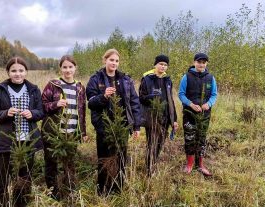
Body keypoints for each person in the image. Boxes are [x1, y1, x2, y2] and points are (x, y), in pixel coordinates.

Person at [0, 56, 44, 207]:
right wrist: (5, 113)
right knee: (2, 178)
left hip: (28, 142)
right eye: (13, 71)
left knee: (25, 178)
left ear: (26, 72)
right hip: (7, 142)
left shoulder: (33, 89)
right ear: (8, 72)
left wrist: (33, 114)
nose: (17, 74)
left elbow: (41, 112)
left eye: (21, 70)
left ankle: (21, 203)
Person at [86, 48, 141, 195]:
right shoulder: (95, 79)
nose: (114, 63)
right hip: (104, 127)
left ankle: (118, 188)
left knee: (121, 158)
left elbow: (134, 103)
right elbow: (91, 103)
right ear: (105, 60)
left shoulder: (126, 80)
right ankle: (102, 190)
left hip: (122, 127)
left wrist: (136, 126)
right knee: (104, 159)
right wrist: (103, 97)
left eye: (116, 61)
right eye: (111, 60)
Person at [41, 55, 87, 200]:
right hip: (54, 133)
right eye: (64, 67)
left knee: (70, 163)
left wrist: (83, 132)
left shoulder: (80, 87)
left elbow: (82, 110)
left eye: (70, 67)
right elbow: (41, 107)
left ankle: (69, 189)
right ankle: (53, 193)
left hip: (72, 132)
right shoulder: (53, 85)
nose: (68, 70)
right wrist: (55, 104)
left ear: (75, 68)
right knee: (51, 163)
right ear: (60, 68)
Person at [139, 54, 178, 176]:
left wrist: (174, 119)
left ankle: (153, 163)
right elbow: (141, 98)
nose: (163, 66)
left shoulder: (168, 80)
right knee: (152, 143)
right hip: (152, 117)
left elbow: (170, 100)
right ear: (155, 64)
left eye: (165, 65)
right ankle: (149, 169)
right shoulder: (147, 79)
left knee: (160, 142)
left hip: (165, 117)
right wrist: (152, 98)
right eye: (161, 64)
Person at [178, 53, 217, 176]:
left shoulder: (211, 78)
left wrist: (209, 104)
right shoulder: (187, 77)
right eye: (199, 62)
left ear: (206, 64)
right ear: (194, 62)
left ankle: (200, 164)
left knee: (201, 138)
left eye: (204, 62)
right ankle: (189, 164)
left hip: (204, 115)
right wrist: (190, 104)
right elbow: (181, 94)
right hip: (189, 113)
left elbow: (214, 95)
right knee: (189, 137)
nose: (201, 64)